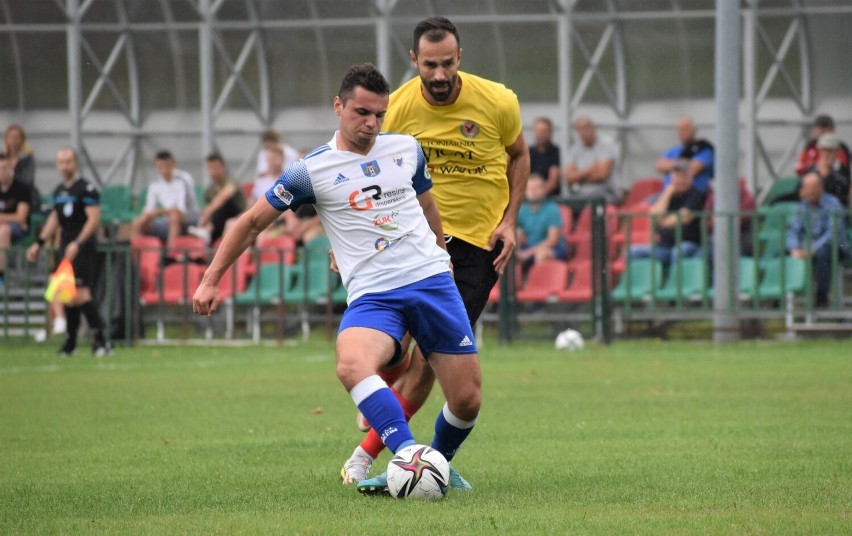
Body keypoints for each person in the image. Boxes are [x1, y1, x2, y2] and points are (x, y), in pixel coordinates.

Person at [192, 63, 482, 496]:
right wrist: (211, 278)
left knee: (466, 400)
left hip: (430, 280)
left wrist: (442, 252)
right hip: (374, 294)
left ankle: (438, 461)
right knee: (350, 364)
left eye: (379, 115)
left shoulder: (407, 148)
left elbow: (428, 207)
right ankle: (409, 459)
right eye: (361, 112)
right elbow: (251, 223)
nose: (371, 124)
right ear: (338, 106)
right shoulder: (309, 170)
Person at [340, 16, 529, 493]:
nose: (440, 74)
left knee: (430, 359)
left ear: (460, 58)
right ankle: (405, 426)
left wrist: (509, 220)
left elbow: (519, 155)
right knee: (393, 354)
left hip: (477, 247)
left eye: (447, 64)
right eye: (430, 65)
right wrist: (345, 241)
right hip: (412, 243)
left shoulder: (498, 100)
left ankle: (409, 464)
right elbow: (364, 170)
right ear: (414, 62)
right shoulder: (396, 108)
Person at [26, 148, 111, 357]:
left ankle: (101, 341)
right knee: (67, 294)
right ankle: (71, 343)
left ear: (76, 163)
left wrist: (78, 242)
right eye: (61, 162)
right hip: (65, 247)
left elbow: (93, 219)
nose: (64, 166)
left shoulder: (87, 189)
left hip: (83, 248)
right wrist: (38, 242)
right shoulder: (59, 192)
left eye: (68, 162)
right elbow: (55, 219)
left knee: (81, 295)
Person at [630, 159, 707, 268]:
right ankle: (639, 284)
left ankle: (674, 284)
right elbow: (653, 216)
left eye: (683, 176)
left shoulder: (697, 195)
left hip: (689, 245)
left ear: (690, 178)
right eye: (677, 176)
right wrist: (668, 192)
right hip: (664, 246)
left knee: (678, 251)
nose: (680, 180)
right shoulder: (667, 195)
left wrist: (661, 221)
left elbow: (684, 217)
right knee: (633, 252)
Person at [787, 172, 847, 307]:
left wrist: (812, 249)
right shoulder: (803, 206)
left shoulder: (832, 204)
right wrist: (794, 248)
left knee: (823, 254)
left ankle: (822, 295)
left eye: (812, 188)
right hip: (808, 247)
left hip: (835, 246)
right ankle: (782, 295)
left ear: (820, 188)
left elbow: (833, 233)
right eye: (807, 188)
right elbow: (794, 230)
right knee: (781, 254)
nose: (810, 192)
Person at [131, 151, 199, 247]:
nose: (164, 170)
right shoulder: (154, 185)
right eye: (160, 166)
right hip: (164, 220)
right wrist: (149, 215)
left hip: (185, 220)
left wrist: (159, 212)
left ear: (172, 164)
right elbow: (149, 209)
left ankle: (170, 255)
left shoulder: (182, 181)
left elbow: (181, 210)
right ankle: (136, 255)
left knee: (174, 217)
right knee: (139, 221)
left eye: (166, 165)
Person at [188, 153, 246, 245]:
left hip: (239, 215)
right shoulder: (208, 191)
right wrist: (202, 222)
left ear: (223, 167)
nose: (213, 171)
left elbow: (225, 195)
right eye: (210, 168)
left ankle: (208, 230)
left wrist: (209, 211)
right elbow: (207, 213)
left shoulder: (231, 181)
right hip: (219, 224)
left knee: (226, 204)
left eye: (215, 167)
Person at [564, 115, 620, 206]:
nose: (584, 133)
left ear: (593, 128)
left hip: (606, 195)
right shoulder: (574, 149)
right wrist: (589, 170)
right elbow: (568, 178)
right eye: (580, 130)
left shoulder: (607, 144)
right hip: (579, 196)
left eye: (586, 129)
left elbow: (602, 175)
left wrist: (578, 177)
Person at [516, 173, 568, 270]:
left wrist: (529, 253)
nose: (533, 191)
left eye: (537, 188)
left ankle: (539, 284)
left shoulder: (552, 209)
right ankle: (515, 285)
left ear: (544, 189)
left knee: (541, 255)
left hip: (553, 249)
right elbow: (518, 235)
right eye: (530, 188)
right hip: (529, 247)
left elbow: (553, 240)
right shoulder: (522, 210)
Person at [656, 117, 714, 193]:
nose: (683, 132)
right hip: (667, 194)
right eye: (680, 129)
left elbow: (693, 169)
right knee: (643, 204)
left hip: (693, 195)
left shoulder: (704, 150)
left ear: (694, 130)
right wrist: (684, 164)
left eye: (686, 128)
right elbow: (660, 166)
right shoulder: (673, 151)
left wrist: (670, 165)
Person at [0, 152, 32, 287]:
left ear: (11, 168)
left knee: (3, 231)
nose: (1, 172)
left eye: (4, 168)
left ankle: (2, 276)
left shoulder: (21, 188)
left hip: (17, 229)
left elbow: (20, 217)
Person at [795, 114, 850, 180]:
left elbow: (843, 169)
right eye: (820, 128)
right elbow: (800, 168)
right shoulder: (809, 147)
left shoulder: (841, 148)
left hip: (835, 181)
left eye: (827, 127)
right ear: (814, 130)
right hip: (811, 180)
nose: (824, 131)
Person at [807, 133, 850, 207]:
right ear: (820, 151)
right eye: (825, 150)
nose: (827, 154)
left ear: (837, 151)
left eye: (831, 151)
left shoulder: (843, 171)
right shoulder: (811, 170)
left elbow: (842, 195)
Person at [3, 124, 39, 209]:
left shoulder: (28, 159)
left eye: (16, 138)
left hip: (22, 196)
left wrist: (9, 180)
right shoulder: (3, 158)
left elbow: (27, 180)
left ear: (22, 140)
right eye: (11, 137)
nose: (13, 141)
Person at [529, 117, 561, 197]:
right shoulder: (528, 152)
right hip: (529, 199)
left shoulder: (556, 151)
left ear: (550, 132)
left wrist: (537, 194)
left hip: (550, 199)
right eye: (538, 131)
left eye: (544, 131)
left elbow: (553, 181)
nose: (541, 134)